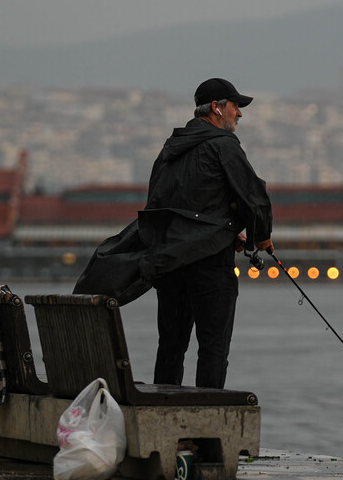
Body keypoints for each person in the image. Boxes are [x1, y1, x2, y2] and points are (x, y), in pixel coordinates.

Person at [72, 77, 273, 389]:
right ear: (217, 108)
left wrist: (227, 234)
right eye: (236, 106)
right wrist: (262, 236)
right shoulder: (224, 145)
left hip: (170, 264)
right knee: (213, 346)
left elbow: (167, 208)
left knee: (170, 346)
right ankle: (207, 417)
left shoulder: (170, 149)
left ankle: (163, 405)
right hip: (209, 266)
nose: (240, 114)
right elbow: (254, 196)